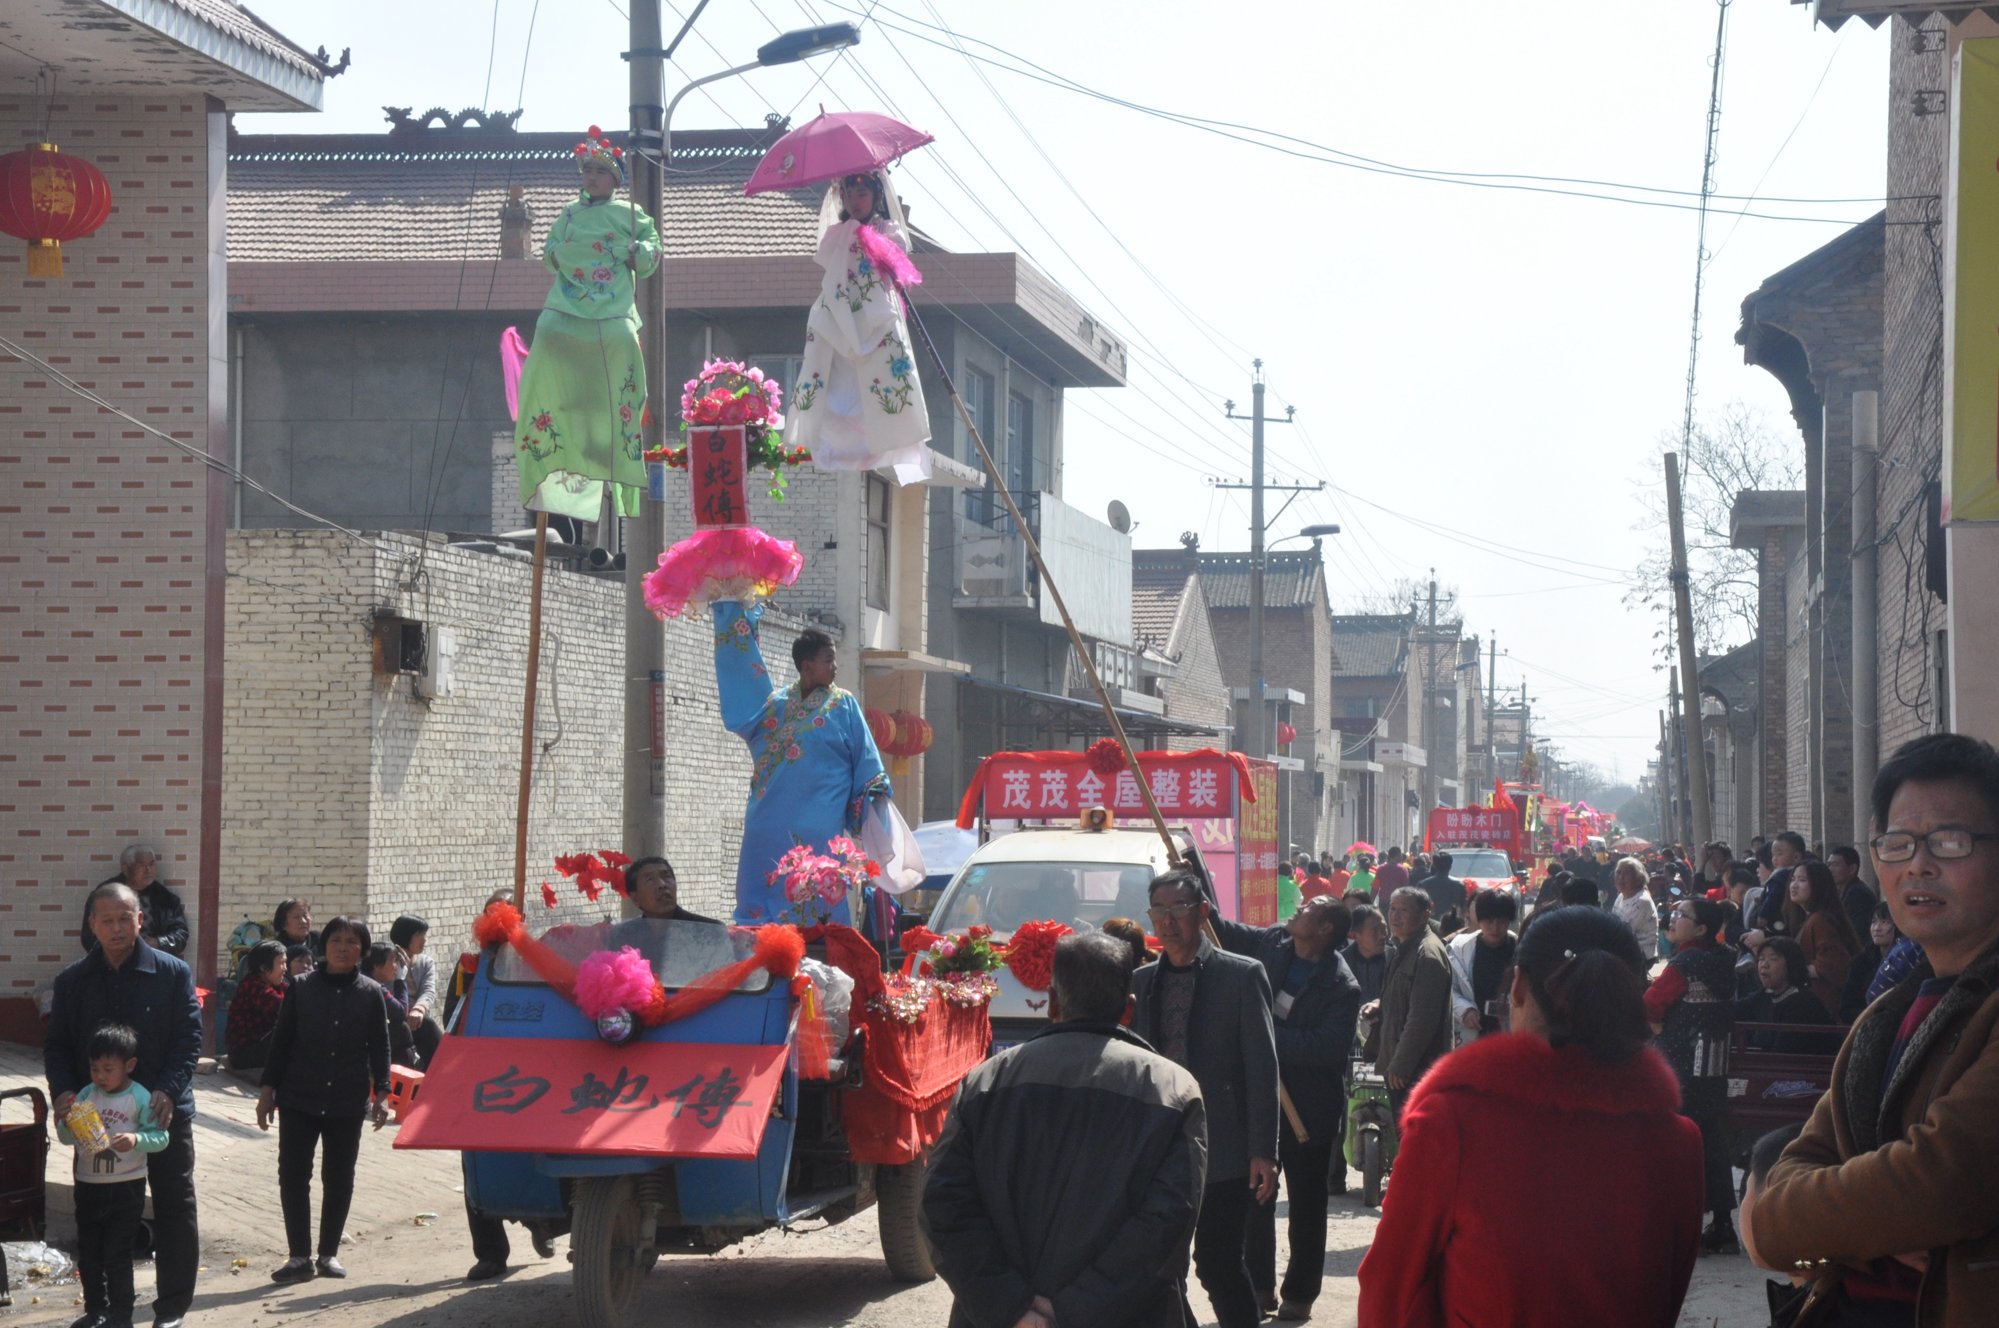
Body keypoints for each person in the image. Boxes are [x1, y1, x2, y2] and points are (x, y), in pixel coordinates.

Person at [1356, 906, 1705, 1327]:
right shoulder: (1679, 1141)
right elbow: (1665, 1297)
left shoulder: (1454, 1123)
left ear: (1517, 987)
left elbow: (1390, 1286)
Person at [1754, 733, 1999, 1326]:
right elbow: (1796, 1165)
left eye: (1950, 840)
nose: (1919, 863)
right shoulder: (1887, 1014)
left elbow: (1939, 1181)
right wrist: (1875, 1225)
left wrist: (1780, 1224)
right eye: (1898, 843)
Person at [923, 933, 1206, 1328]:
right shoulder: (1174, 1089)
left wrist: (1012, 1307)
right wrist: (1073, 1309)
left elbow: (942, 1205)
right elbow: (1167, 1224)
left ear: (1052, 1002)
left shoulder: (984, 1082)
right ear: (1129, 1010)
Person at [45, 883, 201, 1328]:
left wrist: (169, 1089)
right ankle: (103, 1309)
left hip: (162, 1112)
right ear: (91, 925)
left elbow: (190, 1038)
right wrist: (63, 1095)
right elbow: (57, 1047)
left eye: (124, 919)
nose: (116, 928)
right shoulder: (73, 981)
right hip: (98, 1116)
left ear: (140, 920)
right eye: (106, 920)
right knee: (96, 1214)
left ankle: (171, 1309)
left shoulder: (173, 973)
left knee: (174, 1205)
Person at [1130, 870, 1279, 1328]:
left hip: (1224, 1148)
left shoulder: (1240, 975)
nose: (1168, 922)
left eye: (1178, 910)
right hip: (1159, 1147)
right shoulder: (1141, 983)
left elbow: (1262, 1068)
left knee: (1217, 1262)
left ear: (1202, 913)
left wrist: (1263, 1150)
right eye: (1160, 912)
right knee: (1155, 1263)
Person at [1212, 896, 1362, 1319]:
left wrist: (1263, 1036)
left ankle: (1299, 1294)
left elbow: (1326, 1048)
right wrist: (1196, 889)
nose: (1298, 908)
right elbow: (1223, 929)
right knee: (1256, 1195)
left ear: (1326, 929)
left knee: (1307, 1206)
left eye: (1309, 908)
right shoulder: (1276, 941)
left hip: (1309, 1111)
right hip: (1262, 1100)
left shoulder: (1341, 985)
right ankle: (1258, 1288)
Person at [512, 125, 659, 523]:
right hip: (568, 306)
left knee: (624, 342)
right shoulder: (570, 214)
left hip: (611, 312)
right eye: (586, 170)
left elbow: (651, 253)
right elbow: (549, 255)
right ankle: (553, 413)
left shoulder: (631, 214)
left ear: (615, 178)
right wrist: (566, 253)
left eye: (599, 170)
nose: (590, 177)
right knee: (546, 333)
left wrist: (633, 250)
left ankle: (615, 435)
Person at [712, 607, 891, 925]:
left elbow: (865, 761)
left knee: (820, 911)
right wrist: (734, 613)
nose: (835, 667)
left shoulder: (844, 705)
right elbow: (742, 681)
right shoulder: (774, 706)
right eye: (828, 660)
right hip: (766, 825)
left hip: (819, 831)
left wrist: (874, 795)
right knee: (760, 913)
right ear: (807, 666)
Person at [258, 916, 392, 1284]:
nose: (343, 948)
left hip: (346, 1100)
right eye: (336, 940)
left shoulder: (370, 993)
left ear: (362, 950)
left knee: (339, 1177)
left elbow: (380, 1046)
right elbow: (281, 1043)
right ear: (325, 945)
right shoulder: (300, 988)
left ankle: (328, 1254)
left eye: (352, 942)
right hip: (299, 1096)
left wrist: (382, 1092)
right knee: (294, 1175)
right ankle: (299, 1256)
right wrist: (267, 1092)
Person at [788, 170, 932, 482]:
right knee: (832, 377)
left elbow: (897, 261)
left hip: (875, 316)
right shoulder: (836, 234)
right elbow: (829, 262)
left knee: (882, 376)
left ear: (876, 196)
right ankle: (832, 444)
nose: (855, 201)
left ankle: (887, 441)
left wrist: (871, 242)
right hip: (838, 314)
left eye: (862, 194)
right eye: (849, 195)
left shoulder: (887, 229)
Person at [59, 1023, 170, 1328]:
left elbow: (161, 1139)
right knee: (89, 1256)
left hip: (127, 1188)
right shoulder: (86, 1095)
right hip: (88, 1186)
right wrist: (66, 1122)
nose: (100, 1076)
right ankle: (96, 1312)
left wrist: (137, 1140)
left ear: (129, 1065)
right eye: (95, 1068)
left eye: (108, 1069)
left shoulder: (139, 1097)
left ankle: (122, 1317)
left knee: (118, 1256)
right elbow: (67, 1139)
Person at [1645, 897, 1739, 1254]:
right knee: (1711, 1140)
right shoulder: (1724, 959)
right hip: (1713, 1066)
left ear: (1700, 929)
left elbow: (1651, 1005)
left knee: (1680, 1143)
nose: (1674, 917)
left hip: (1680, 1063)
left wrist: (1655, 1024)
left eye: (1683, 915)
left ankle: (1686, 1227)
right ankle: (1723, 1225)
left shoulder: (1684, 962)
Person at [1370, 886, 1453, 1119]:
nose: (1395, 916)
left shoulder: (1427, 955)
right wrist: (1380, 1005)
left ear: (1425, 914)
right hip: (1400, 1061)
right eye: (1392, 909)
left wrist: (1401, 1065)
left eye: (1403, 910)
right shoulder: (1404, 947)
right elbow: (1404, 997)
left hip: (1415, 1069)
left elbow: (1422, 1020)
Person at [605, 855, 720, 965]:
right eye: (650, 880)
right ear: (635, 898)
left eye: (666, 876)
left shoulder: (708, 931)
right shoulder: (622, 935)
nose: (662, 884)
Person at [81, 844, 188, 957]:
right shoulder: (104, 896)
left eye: (151, 864)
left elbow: (180, 935)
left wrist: (158, 943)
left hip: (154, 961)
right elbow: (89, 937)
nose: (148, 870)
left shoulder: (165, 898)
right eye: (141, 865)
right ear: (126, 868)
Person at [1734, 938, 1836, 1053]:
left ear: (1791, 964)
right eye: (1761, 959)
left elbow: (1783, 1051)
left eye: (1773, 959)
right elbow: (1731, 1011)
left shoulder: (1804, 1002)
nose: (1764, 964)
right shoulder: (1763, 996)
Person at [1788, 859, 1862, 1015]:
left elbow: (1835, 965)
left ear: (1818, 885)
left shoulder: (1820, 921)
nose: (1794, 885)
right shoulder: (1811, 918)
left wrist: (1793, 969)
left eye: (1802, 880)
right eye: (1793, 879)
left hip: (1826, 1008)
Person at [1446, 889, 1518, 1047]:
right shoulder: (1460, 948)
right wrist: (1464, 1010)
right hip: (1471, 1032)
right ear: (1479, 919)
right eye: (1489, 921)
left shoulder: (1520, 949)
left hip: (1509, 1034)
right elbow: (1448, 988)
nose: (1495, 927)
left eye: (1501, 922)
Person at [225, 939, 290, 1072]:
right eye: (281, 963)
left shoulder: (279, 985)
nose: (285, 968)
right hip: (245, 1055)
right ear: (264, 968)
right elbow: (286, 1007)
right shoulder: (252, 986)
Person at [389, 916, 442, 1065]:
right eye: (419, 935)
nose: (424, 940)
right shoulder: (386, 960)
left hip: (418, 1019)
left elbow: (428, 990)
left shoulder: (425, 962)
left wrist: (418, 1009)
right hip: (394, 1019)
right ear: (406, 936)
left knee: (428, 1026)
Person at [1840, 901, 1900, 1023]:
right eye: (1874, 922)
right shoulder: (1861, 962)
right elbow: (1846, 1007)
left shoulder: (1906, 959)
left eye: (1885, 922)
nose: (1877, 928)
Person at [366, 941, 419, 1069]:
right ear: (377, 966)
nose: (396, 967)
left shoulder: (374, 982)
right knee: (401, 1029)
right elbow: (401, 1012)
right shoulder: (373, 986)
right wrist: (400, 980)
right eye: (393, 961)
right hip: (365, 1044)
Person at [1341, 903, 1393, 1008]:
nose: (1382, 935)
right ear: (1354, 935)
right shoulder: (1341, 963)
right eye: (1375, 930)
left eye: (1384, 928)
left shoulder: (1395, 959)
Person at [1611, 856, 1660, 962]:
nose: (1620, 877)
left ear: (1638, 878)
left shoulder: (1642, 901)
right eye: (1618, 873)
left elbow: (1623, 932)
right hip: (1624, 951)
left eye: (1626, 873)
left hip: (1640, 955)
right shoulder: (1621, 896)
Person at [1829, 844, 1876, 946]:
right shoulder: (1845, 891)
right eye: (1829, 864)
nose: (1830, 869)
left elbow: (1854, 934)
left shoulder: (1857, 894)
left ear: (1852, 869)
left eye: (1836, 865)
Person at [1417, 850, 1468, 933]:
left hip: (1429, 926)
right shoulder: (1459, 885)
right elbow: (1463, 908)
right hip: (1454, 926)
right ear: (1450, 866)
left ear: (1434, 865)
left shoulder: (1423, 885)